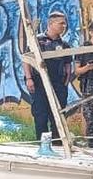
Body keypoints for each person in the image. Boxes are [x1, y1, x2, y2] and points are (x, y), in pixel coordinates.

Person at [23, 10, 72, 140]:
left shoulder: (64, 44)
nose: (64, 26)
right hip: (39, 83)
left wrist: (66, 82)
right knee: (40, 114)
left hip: (58, 83)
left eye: (65, 24)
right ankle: (43, 143)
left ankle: (58, 142)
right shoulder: (37, 41)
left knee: (58, 114)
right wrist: (29, 78)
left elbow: (68, 64)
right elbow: (26, 60)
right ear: (51, 24)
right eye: (61, 23)